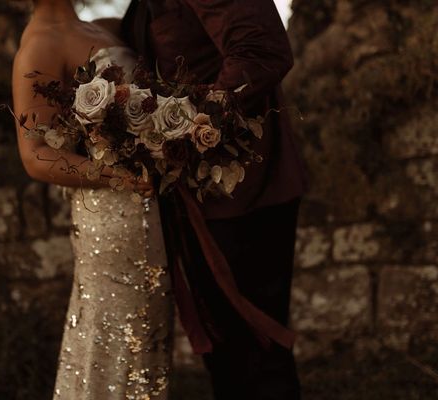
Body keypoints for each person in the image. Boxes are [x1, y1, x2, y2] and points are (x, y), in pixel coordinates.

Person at [121, 1, 309, 399]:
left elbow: (261, 51)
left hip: (243, 194)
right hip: (203, 198)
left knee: (256, 359)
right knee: (230, 361)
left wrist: (183, 128)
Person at [11, 1, 174, 399]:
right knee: (116, 342)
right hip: (113, 218)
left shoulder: (103, 27)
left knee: (148, 341)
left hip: (152, 208)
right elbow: (36, 157)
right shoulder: (39, 46)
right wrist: (120, 176)